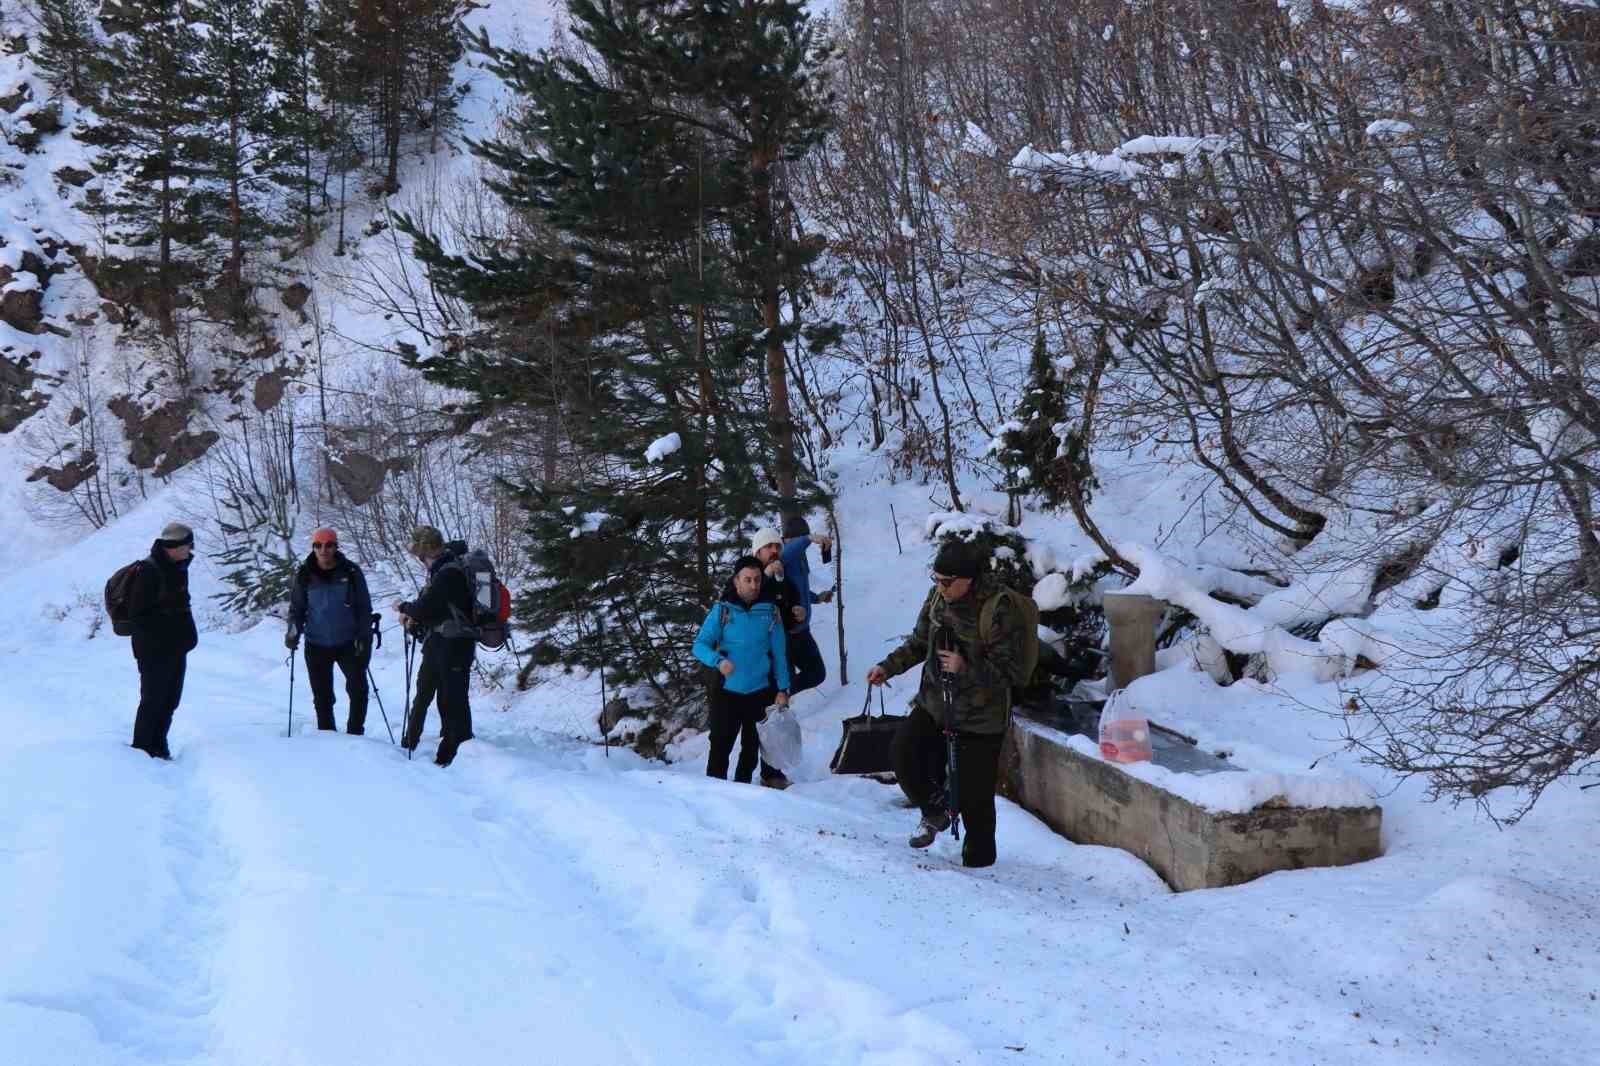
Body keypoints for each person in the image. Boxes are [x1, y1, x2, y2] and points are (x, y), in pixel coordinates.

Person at [866, 540, 1029, 868]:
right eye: (935, 579)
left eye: (946, 581)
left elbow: (1008, 672)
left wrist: (965, 666)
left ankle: (981, 866)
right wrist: (887, 667)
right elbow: (919, 642)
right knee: (904, 753)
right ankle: (935, 811)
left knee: (975, 796)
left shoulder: (998, 609)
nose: (940, 587)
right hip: (936, 703)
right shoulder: (937, 599)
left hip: (981, 716)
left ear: (968, 579)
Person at [692, 556, 791, 784]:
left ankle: (743, 792)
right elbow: (699, 645)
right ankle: (714, 794)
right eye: (748, 580)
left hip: (760, 691)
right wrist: (718, 661)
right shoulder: (722, 611)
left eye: (757, 579)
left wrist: (783, 689)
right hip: (727, 692)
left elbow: (779, 654)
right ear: (736, 581)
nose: (754, 585)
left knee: (752, 749)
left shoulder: (770, 612)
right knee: (720, 746)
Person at [394, 526, 476, 766]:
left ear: (428, 549)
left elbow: (424, 606)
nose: (419, 560)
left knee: (453, 699)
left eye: (419, 554)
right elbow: (435, 608)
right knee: (427, 693)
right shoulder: (443, 569)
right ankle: (410, 742)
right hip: (439, 643)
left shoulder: (448, 572)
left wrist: (403, 607)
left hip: (454, 645)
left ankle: (452, 753)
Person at [285, 528, 374, 734]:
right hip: (316, 643)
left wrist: (364, 637)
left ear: (336, 547)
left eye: (328, 545)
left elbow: (363, 608)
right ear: (313, 547)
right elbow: (297, 609)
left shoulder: (351, 572)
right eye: (318, 545)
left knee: (359, 690)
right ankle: (327, 736)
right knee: (322, 696)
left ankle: (355, 733)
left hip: (348, 643)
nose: (323, 549)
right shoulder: (305, 574)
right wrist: (292, 632)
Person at [128, 521, 199, 759]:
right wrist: (166, 637)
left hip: (175, 649)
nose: (191, 549)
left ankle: (159, 746)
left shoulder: (178, 567)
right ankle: (142, 751)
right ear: (175, 545)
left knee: (170, 700)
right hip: (154, 651)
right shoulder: (150, 570)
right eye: (188, 544)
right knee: (153, 700)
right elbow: (138, 615)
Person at [777, 515, 832, 696]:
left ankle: (782, 694)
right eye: (797, 539)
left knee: (817, 674)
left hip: (803, 631)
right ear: (786, 539)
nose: (802, 546)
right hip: (786, 635)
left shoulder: (800, 559)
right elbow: (787, 553)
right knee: (785, 682)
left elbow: (799, 591)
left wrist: (818, 598)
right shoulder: (780, 559)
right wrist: (808, 538)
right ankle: (777, 699)